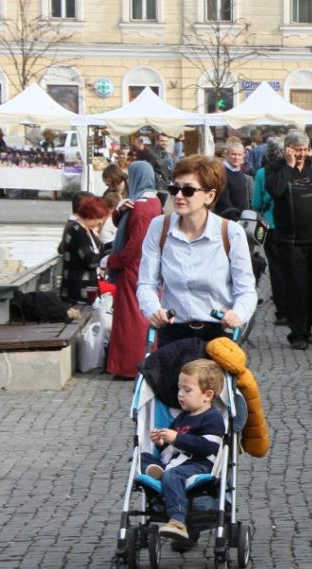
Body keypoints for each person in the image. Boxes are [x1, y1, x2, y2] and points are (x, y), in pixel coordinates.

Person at [138, 155, 256, 346]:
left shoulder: (231, 233)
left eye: (188, 190)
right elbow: (146, 283)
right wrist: (153, 309)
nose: (178, 195)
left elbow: (246, 290)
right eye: (174, 188)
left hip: (218, 334)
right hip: (173, 331)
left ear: (210, 195)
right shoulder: (159, 227)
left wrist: (237, 315)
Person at [263, 130, 312, 350]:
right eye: (297, 150)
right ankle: (297, 333)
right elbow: (276, 190)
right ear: (288, 149)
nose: (302, 154)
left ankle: (307, 326)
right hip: (290, 240)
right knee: (296, 287)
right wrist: (288, 165)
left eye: (305, 149)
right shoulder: (274, 168)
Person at [142, 358, 227, 541]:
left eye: (187, 390)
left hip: (198, 464)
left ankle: (177, 520)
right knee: (142, 456)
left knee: (173, 475)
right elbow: (171, 445)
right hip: (173, 462)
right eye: (179, 388)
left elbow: (208, 447)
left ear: (207, 395)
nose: (180, 394)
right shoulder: (183, 417)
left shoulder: (212, 418)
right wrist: (161, 441)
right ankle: (156, 472)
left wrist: (176, 438)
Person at [104, 161, 164, 379]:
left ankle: (129, 365)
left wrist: (113, 261)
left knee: (130, 319)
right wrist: (119, 211)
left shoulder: (140, 206)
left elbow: (133, 244)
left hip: (134, 269)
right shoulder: (154, 200)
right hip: (145, 265)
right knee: (139, 316)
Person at [253, 137, 288, 323]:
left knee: (276, 268)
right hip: (291, 225)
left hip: (270, 225)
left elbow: (256, 203)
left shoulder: (261, 173)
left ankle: (281, 311)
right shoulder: (291, 171)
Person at [59, 196, 109, 304]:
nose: (101, 222)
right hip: (79, 290)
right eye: (99, 218)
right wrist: (108, 257)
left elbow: (98, 250)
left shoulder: (84, 229)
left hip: (83, 288)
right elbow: (90, 261)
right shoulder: (78, 231)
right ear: (91, 215)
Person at [214, 140, 251, 219]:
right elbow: (223, 202)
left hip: (242, 218)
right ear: (227, 155)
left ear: (243, 156)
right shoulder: (221, 173)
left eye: (239, 154)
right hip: (228, 220)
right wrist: (236, 220)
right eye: (233, 154)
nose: (236, 157)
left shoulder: (239, 171)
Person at [150, 133, 174, 206]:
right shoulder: (152, 155)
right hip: (158, 188)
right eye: (162, 141)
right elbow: (149, 172)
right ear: (157, 141)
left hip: (168, 186)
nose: (165, 143)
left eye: (166, 141)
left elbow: (171, 170)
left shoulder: (167, 155)